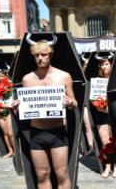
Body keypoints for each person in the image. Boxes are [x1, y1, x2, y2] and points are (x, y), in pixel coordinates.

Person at [12, 34, 77, 189]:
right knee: (42, 175)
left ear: (51, 55)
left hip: (58, 131)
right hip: (37, 132)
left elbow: (74, 103)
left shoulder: (63, 76)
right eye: (36, 55)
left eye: (44, 54)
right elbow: (26, 106)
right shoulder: (27, 79)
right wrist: (18, 107)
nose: (40, 58)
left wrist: (70, 103)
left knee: (62, 173)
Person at [91, 52, 116, 178]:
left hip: (113, 113)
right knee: (105, 143)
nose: (104, 67)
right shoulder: (97, 81)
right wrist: (98, 105)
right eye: (102, 64)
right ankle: (107, 167)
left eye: (106, 64)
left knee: (115, 142)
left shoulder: (115, 80)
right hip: (101, 114)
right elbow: (92, 99)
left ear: (111, 65)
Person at [0, 67, 15, 159]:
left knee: (10, 133)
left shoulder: (11, 86)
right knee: (5, 133)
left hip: (8, 111)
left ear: (7, 76)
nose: (0, 78)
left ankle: (16, 151)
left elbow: (13, 100)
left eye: (2, 76)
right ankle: (10, 151)